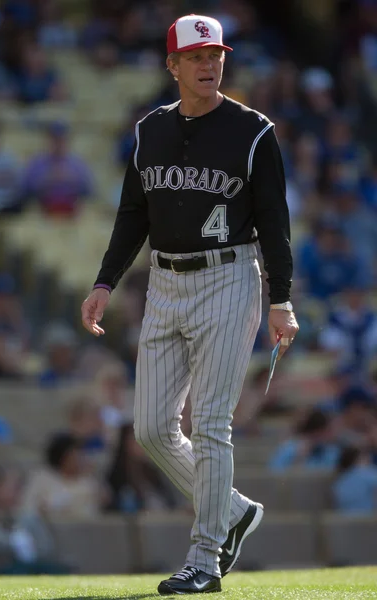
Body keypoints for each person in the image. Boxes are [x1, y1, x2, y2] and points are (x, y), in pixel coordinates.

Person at [81, 14, 299, 595]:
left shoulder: (253, 131)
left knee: (209, 423)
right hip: (165, 283)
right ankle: (233, 510)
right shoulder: (150, 129)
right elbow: (133, 214)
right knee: (151, 428)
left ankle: (204, 557)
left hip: (230, 278)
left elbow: (275, 222)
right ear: (172, 65)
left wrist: (282, 300)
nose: (209, 65)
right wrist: (105, 281)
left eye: (216, 55)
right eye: (197, 57)